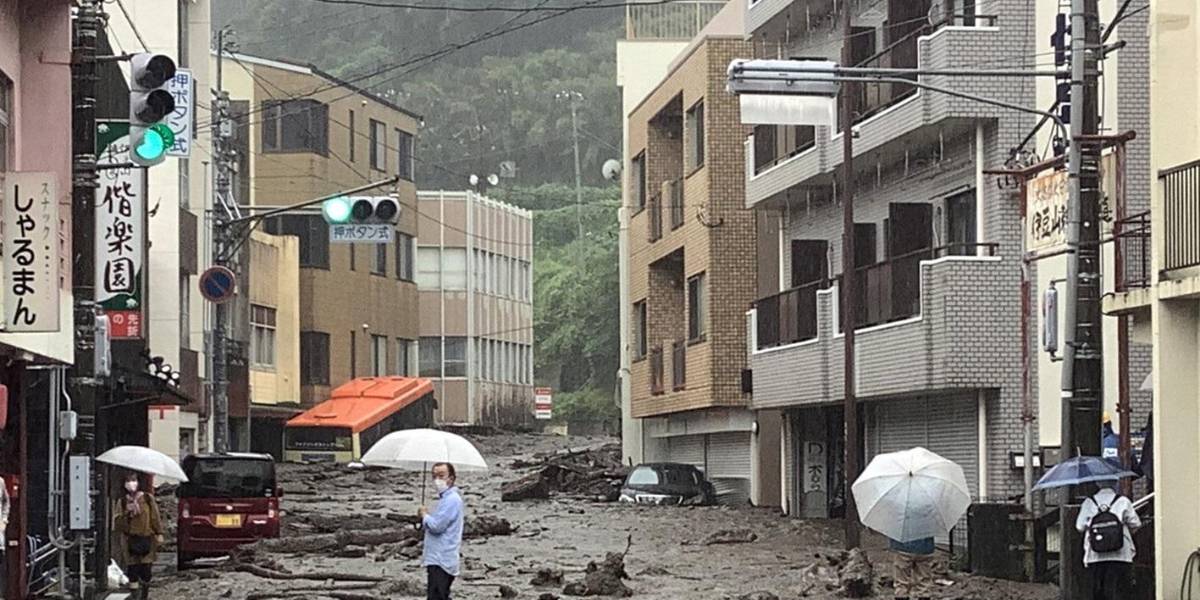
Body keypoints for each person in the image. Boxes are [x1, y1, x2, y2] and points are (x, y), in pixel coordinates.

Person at [1074, 482, 1141, 600]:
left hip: (1095, 555)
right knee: (1120, 591)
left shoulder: (1089, 503)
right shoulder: (1123, 501)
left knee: (1098, 592)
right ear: (1115, 483)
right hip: (1121, 554)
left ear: (1097, 483)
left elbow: (1079, 526)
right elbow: (1136, 523)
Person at [114, 473, 164, 600]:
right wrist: (127, 514)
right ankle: (135, 595)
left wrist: (159, 533)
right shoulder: (123, 501)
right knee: (133, 569)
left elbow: (155, 517)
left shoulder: (147, 498)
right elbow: (118, 523)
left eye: (134, 480)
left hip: (147, 537)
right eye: (128, 481)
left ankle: (145, 594)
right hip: (130, 539)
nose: (131, 483)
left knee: (146, 569)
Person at [419, 462, 464, 600]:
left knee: (437, 596)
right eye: (434, 476)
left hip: (442, 559)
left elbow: (437, 526)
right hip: (438, 558)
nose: (437, 480)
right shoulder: (446, 499)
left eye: (441, 475)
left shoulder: (451, 500)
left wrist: (425, 516)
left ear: (451, 478)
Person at [889, 536, 935, 600]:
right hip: (925, 548)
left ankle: (901, 595)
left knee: (901, 581)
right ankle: (924, 595)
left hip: (902, 547)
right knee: (924, 580)